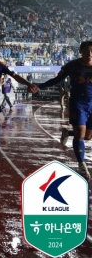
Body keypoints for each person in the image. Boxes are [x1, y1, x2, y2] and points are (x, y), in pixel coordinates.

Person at [37, 41, 92, 179]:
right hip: (77, 103)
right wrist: (40, 87)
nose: (89, 54)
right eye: (86, 51)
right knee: (80, 133)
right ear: (80, 51)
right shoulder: (72, 66)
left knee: (88, 136)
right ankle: (81, 165)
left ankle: (68, 132)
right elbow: (57, 79)